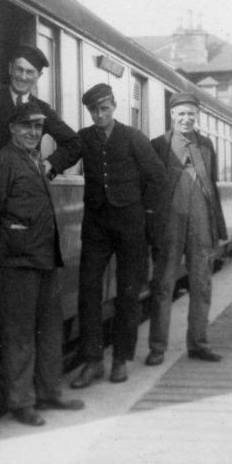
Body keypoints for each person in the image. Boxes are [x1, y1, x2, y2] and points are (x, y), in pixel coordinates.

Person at [0, 101, 84, 426]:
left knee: (50, 329)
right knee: (20, 335)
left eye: (38, 128)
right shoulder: (3, 162)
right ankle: (21, 402)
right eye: (27, 127)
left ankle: (50, 392)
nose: (33, 133)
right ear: (12, 129)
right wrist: (14, 235)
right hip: (16, 261)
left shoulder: (36, 161)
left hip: (43, 258)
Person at [70, 83, 167, 389]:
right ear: (88, 111)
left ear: (113, 106)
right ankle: (93, 361)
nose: (100, 115)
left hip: (130, 224)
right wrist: (47, 166)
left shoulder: (133, 137)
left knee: (128, 293)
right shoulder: (84, 138)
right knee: (88, 291)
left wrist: (147, 213)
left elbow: (158, 177)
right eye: (94, 110)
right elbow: (63, 155)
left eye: (104, 108)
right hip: (96, 224)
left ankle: (121, 359)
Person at [146, 91, 227, 366]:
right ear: (172, 115)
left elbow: (212, 187)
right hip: (169, 223)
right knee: (163, 285)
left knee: (202, 284)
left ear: (197, 116)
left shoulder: (206, 146)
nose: (186, 118)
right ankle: (157, 348)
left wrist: (216, 226)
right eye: (181, 113)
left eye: (191, 114)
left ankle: (199, 343)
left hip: (201, 222)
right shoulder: (158, 146)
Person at [0, 44, 81, 178]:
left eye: (30, 72)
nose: (23, 77)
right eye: (19, 69)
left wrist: (50, 164)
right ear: (10, 68)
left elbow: (75, 143)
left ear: (39, 76)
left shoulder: (42, 109)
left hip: (25, 185)